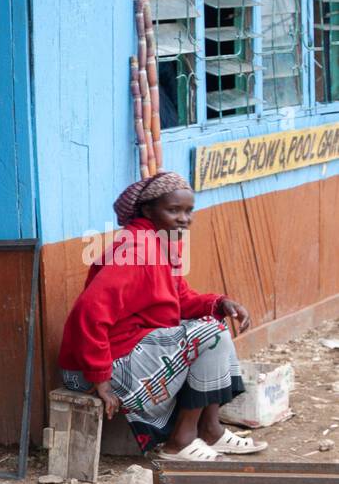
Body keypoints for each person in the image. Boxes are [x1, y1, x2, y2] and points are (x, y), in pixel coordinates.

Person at [58, 172, 265, 460]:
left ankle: (210, 430)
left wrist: (219, 303)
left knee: (213, 326)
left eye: (188, 211)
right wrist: (100, 377)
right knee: (211, 334)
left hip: (128, 350)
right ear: (147, 211)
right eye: (174, 210)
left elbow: (178, 299)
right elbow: (89, 311)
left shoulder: (161, 243)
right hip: (92, 370)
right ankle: (181, 440)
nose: (184, 218)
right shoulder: (137, 249)